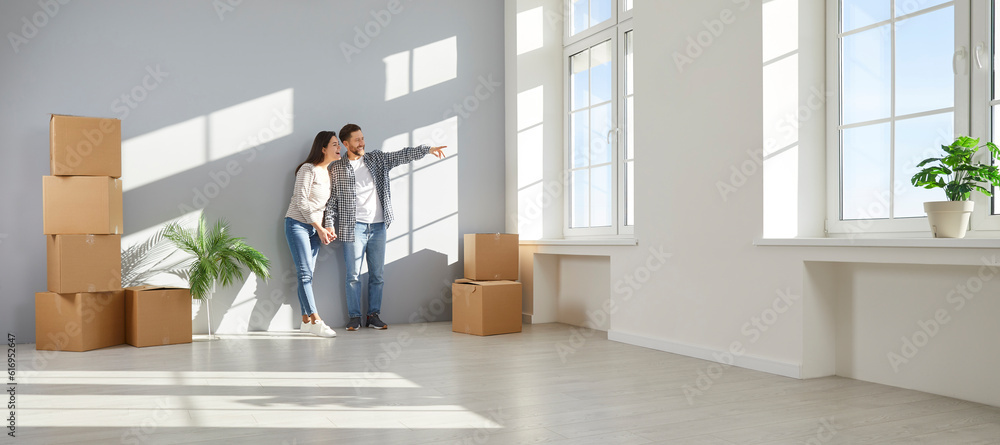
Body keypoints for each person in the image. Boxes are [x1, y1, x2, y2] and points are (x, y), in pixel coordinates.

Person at [324, 124, 446, 331]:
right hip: (352, 227)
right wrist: (328, 224)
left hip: (379, 226)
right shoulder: (336, 168)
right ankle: (355, 317)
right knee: (353, 275)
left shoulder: (376, 159)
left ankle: (373, 316)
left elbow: (402, 155)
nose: (362, 142)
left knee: (377, 275)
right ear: (346, 144)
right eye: (357, 140)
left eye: (362, 138)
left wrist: (427, 150)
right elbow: (332, 201)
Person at [284, 131, 341, 338]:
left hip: (316, 228)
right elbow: (301, 201)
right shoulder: (307, 169)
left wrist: (328, 227)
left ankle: (305, 321)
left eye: (339, 145)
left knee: (307, 274)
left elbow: (324, 206)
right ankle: (317, 321)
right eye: (334, 144)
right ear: (323, 148)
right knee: (305, 274)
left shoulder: (329, 173)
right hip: (297, 225)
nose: (339, 148)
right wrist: (319, 227)